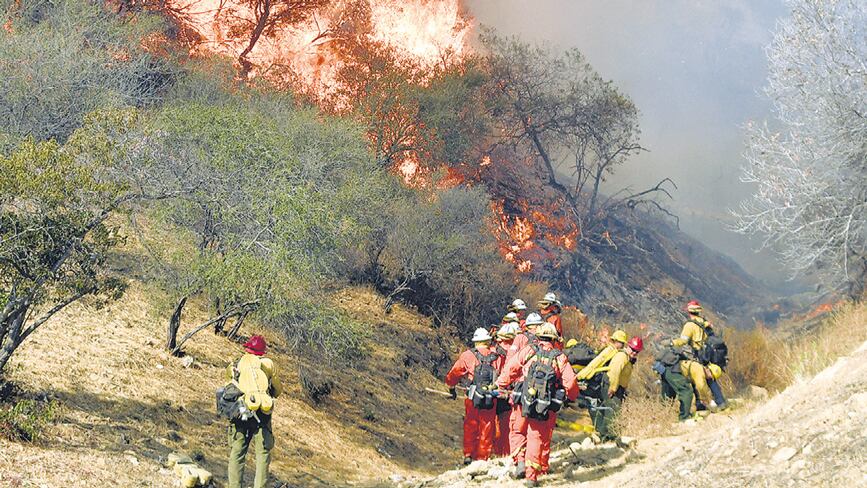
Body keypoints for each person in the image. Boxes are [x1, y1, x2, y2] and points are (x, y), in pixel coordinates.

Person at [497, 323, 579, 486]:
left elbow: (511, 369)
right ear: (554, 339)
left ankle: (519, 462)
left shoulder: (528, 350)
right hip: (543, 405)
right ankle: (531, 476)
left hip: (523, 401)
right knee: (536, 437)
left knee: (517, 431)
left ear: (538, 336)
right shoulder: (559, 357)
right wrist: (571, 396)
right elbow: (570, 383)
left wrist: (500, 385)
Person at [226, 335, 283, 488]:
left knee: (237, 453)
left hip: (241, 412)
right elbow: (277, 391)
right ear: (262, 351)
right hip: (262, 415)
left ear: (247, 348)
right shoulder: (268, 364)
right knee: (262, 455)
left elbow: (230, 386)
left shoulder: (238, 362)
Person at [445, 327, 504, 464]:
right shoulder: (497, 357)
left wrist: (451, 387)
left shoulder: (468, 355)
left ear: (476, 342)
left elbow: (454, 373)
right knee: (487, 426)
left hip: (472, 396)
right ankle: (482, 457)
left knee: (470, 425)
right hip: (490, 396)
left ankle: (468, 454)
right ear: (488, 341)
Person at [501, 313, 543, 472]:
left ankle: (519, 462)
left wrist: (502, 384)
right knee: (536, 430)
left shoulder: (520, 339)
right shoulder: (550, 344)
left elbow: (511, 363)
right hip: (541, 392)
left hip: (520, 388)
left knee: (518, 427)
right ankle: (538, 467)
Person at [590, 336, 642, 441]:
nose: (634, 352)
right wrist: (613, 388)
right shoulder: (622, 357)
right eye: (633, 349)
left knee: (611, 409)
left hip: (617, 386)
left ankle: (603, 434)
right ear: (628, 347)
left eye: (637, 351)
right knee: (613, 410)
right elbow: (614, 372)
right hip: (611, 384)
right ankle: (609, 435)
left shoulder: (628, 358)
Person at [677, 300, 728, 409]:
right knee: (709, 377)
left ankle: (701, 405)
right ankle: (720, 401)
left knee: (696, 378)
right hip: (708, 353)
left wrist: (672, 343)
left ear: (689, 312)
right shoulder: (704, 322)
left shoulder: (689, 325)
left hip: (698, 354)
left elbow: (683, 341)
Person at [493, 322, 520, 457]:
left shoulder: (493, 353)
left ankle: (496, 453)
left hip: (492, 393)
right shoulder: (516, 353)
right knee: (507, 426)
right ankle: (506, 454)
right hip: (508, 393)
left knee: (493, 426)